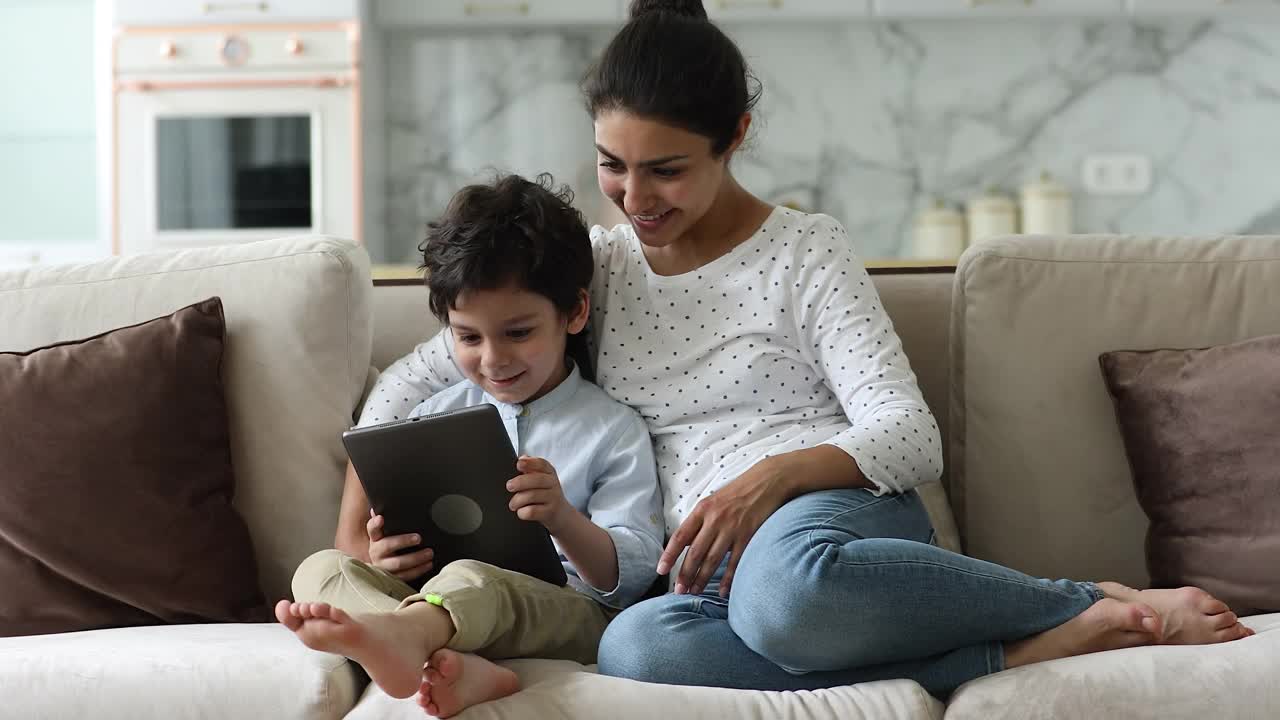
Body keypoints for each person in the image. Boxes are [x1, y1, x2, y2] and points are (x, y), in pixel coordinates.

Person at [339, 0, 1253, 702]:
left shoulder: (804, 251)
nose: (633, 196)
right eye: (612, 164)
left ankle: (1072, 594)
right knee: (638, 649)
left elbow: (906, 434)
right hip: (697, 574)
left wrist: (766, 481)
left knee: (787, 597)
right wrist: (363, 516)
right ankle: (1007, 651)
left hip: (826, 528)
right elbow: (423, 372)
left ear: (733, 137)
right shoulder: (600, 264)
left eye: (666, 169)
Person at [277, 173, 664, 718]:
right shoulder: (432, 418)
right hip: (445, 594)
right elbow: (379, 546)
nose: (493, 359)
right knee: (323, 570)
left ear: (574, 314)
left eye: (518, 333)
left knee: (474, 580)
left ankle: (408, 639)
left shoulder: (613, 428)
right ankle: (438, 653)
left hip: (568, 610)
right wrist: (386, 559)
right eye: (468, 337)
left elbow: (628, 578)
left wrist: (560, 518)